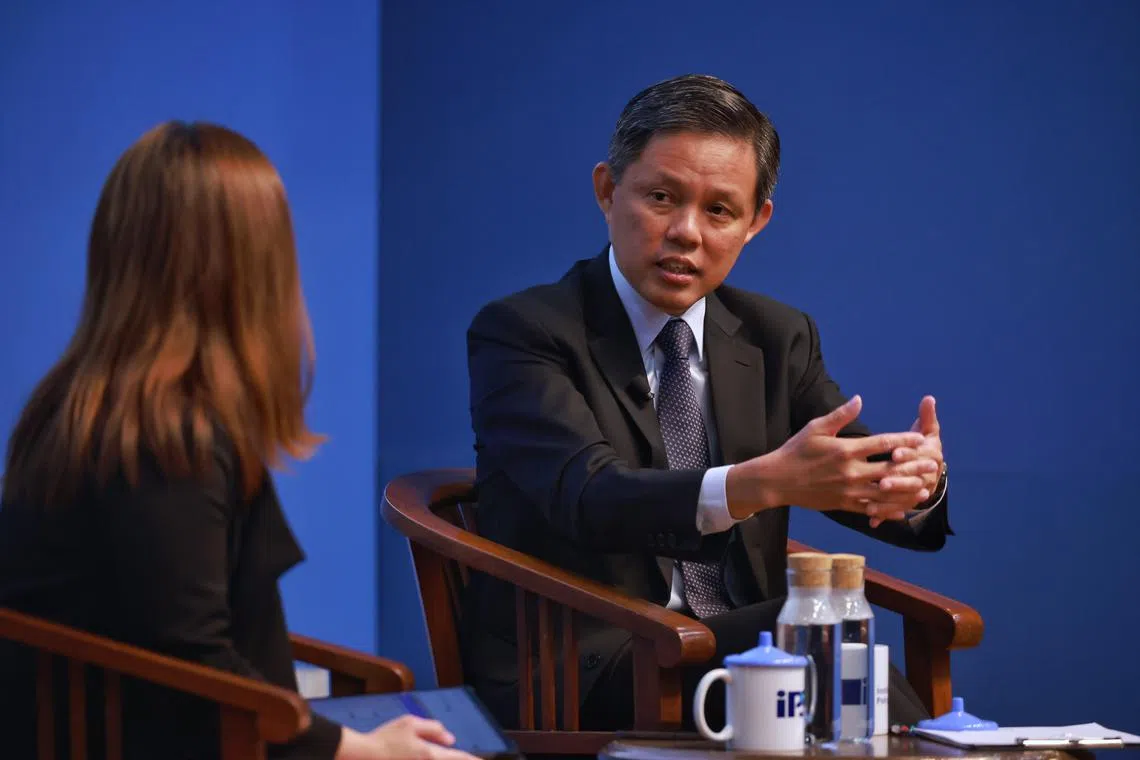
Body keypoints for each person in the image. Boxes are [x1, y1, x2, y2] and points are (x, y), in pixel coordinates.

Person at [462, 74, 952, 733]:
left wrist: (910, 484)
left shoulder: (776, 336)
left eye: (719, 211)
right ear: (608, 191)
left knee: (826, 652)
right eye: (661, 198)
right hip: (591, 669)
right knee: (831, 653)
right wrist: (758, 484)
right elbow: (590, 499)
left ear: (756, 222)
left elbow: (845, 476)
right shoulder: (525, 332)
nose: (686, 232)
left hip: (746, 657)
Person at [0, 122, 475, 760]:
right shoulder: (167, 438)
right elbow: (191, 658)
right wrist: (365, 750)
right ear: (250, 265)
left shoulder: (77, 407)